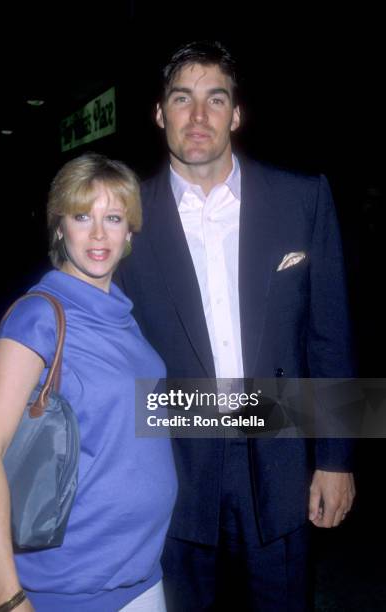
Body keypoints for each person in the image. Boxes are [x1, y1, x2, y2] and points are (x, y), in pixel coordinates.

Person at [117, 41, 356, 611]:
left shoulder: (302, 198)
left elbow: (330, 337)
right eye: (182, 99)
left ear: (236, 114)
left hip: (281, 456)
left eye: (214, 99)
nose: (198, 117)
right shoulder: (126, 218)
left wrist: (336, 458)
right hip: (173, 466)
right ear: (160, 113)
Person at [0, 153, 177, 612]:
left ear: (129, 232)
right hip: (71, 586)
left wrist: (321, 413)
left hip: (142, 573)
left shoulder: (122, 314)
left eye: (113, 217)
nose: (99, 234)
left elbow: (139, 418)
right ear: (59, 227)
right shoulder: (39, 315)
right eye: (83, 216)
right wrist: (6, 595)